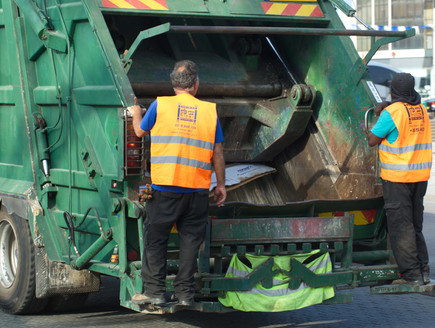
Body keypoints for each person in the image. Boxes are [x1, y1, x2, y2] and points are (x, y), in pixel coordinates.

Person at [127, 60, 227, 306]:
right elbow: (218, 153)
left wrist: (136, 112)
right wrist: (221, 185)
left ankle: (155, 292)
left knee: (156, 239)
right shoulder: (209, 112)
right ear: (196, 85)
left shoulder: (160, 105)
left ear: (173, 84)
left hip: (165, 190)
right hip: (197, 191)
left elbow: (139, 132)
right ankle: (184, 294)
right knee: (191, 243)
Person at [367, 72, 432, 285]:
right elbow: (407, 106)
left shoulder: (391, 113)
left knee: (400, 227)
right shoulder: (421, 110)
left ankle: (411, 276)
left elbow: (372, 140)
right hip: (420, 177)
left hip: (397, 179)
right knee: (415, 225)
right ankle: (422, 271)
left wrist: (376, 116)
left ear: (393, 90)